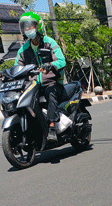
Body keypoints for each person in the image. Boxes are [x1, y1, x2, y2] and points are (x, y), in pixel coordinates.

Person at [15, 11, 66, 142]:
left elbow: (61, 61)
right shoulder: (23, 50)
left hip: (51, 83)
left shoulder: (49, 42)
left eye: (30, 26)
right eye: (25, 27)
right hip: (33, 86)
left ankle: (52, 128)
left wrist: (50, 65)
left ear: (38, 27)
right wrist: (5, 74)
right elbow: (17, 68)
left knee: (51, 94)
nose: (28, 29)